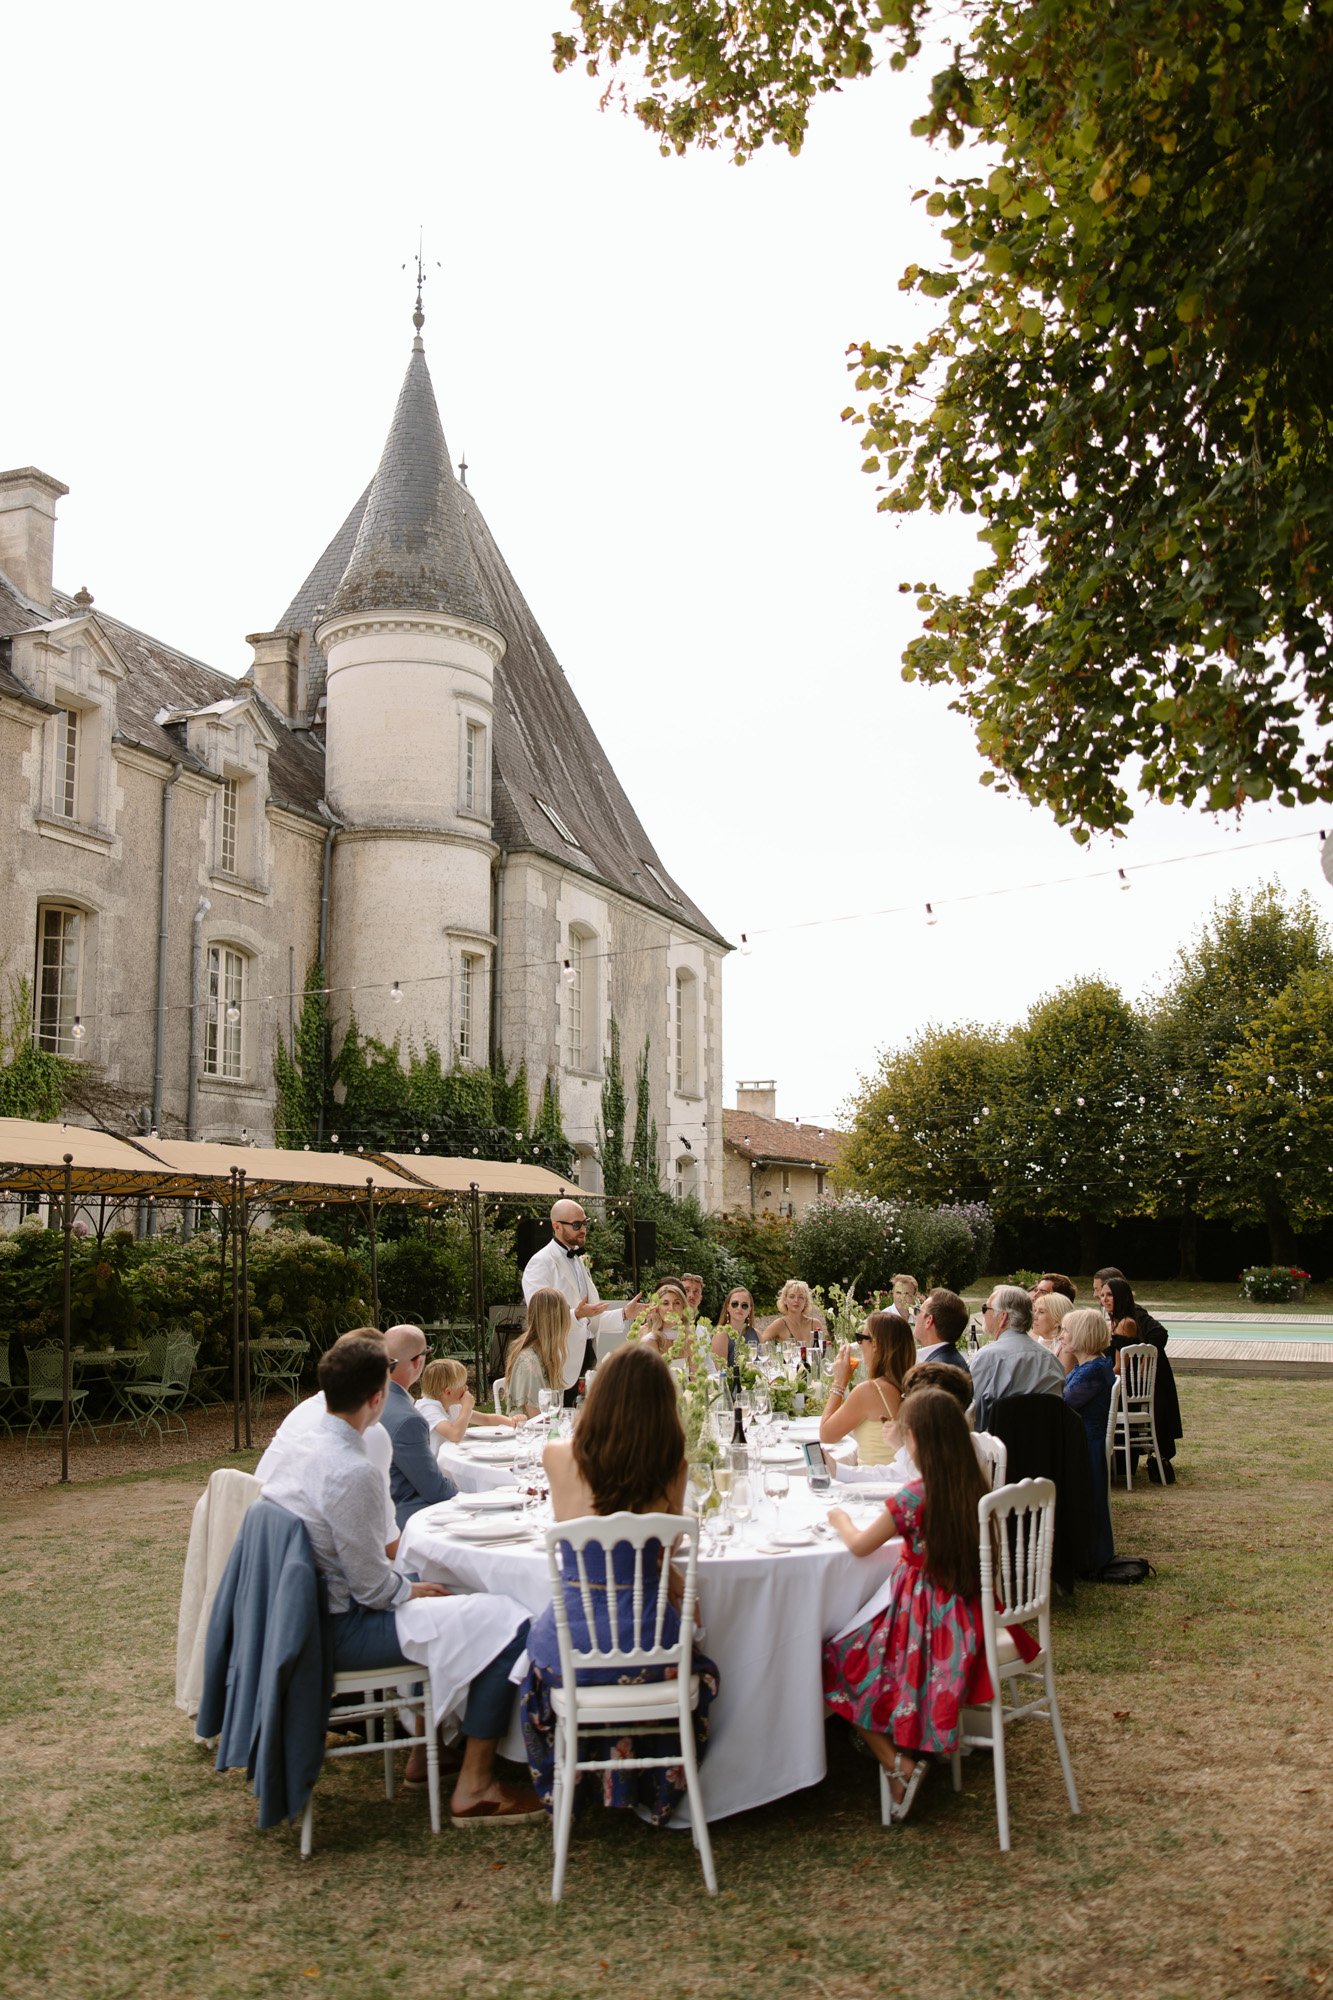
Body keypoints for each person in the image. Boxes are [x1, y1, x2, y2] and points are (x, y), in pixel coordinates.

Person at [261, 1334, 541, 1824]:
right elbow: (373, 1590)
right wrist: (410, 1588)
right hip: (340, 1630)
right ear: (376, 1397)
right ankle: (476, 1786)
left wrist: (416, 1585)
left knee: (454, 1592)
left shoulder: (306, 1445)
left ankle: (434, 1748)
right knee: (511, 1620)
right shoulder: (352, 1468)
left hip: (306, 1618)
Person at [520, 1342, 720, 1825]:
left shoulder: (556, 1456)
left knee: (532, 1652)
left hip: (573, 1651)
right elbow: (664, 1549)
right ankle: (653, 1785)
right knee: (706, 1665)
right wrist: (674, 1586)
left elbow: (585, 1538)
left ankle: (582, 1785)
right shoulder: (672, 1466)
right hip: (653, 1651)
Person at [822, 1386, 1039, 1819]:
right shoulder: (972, 1485)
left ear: (917, 1440)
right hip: (968, 1613)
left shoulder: (914, 1497)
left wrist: (838, 1518)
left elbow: (863, 1546)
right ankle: (903, 1753)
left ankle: (896, 1764)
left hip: (925, 1621)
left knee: (837, 1660)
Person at [255, 1328, 397, 1554]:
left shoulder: (302, 1413)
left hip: (265, 1551)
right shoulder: (370, 1434)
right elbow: (385, 1542)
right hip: (306, 1566)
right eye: (389, 1365)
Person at [520, 1199, 641, 1390]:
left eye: (585, 1223)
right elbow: (541, 1317)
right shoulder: (540, 1263)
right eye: (576, 1225)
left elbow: (589, 1317)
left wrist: (624, 1313)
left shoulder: (578, 1260)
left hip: (587, 1354)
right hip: (558, 1360)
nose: (583, 1228)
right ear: (556, 1226)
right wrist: (576, 1314)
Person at [1103, 1276, 1182, 1482]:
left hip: (1126, 1393)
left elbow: (1120, 1367)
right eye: (1102, 1295)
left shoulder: (1126, 1323)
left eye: (1109, 1295)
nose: (1104, 1299)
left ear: (1121, 1296)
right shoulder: (1121, 1322)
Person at [379, 1325, 458, 1530]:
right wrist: (469, 1495)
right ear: (417, 1362)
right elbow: (435, 1490)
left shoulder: (371, 1397)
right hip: (403, 1517)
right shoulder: (408, 1420)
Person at [1057, 1307, 1116, 1572]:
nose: (1062, 1336)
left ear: (1081, 1334)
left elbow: (1063, 1403)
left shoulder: (1092, 1370)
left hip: (1087, 1445)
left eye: (1066, 1331)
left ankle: (1085, 1556)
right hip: (1085, 1440)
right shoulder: (1093, 1364)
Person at [819, 1310, 916, 1466]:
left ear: (875, 1344)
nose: (859, 1344)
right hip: (898, 1480)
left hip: (874, 1484)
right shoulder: (913, 1385)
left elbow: (827, 1435)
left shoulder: (870, 1391)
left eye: (861, 1338)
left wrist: (839, 1382)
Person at [968, 1285, 1065, 1429]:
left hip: (997, 1447)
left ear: (1003, 1317)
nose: (983, 1314)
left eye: (985, 1309)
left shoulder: (988, 1358)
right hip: (1045, 1447)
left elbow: (973, 1416)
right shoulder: (1052, 1361)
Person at [504, 1288, 569, 1418]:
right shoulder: (529, 1361)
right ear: (557, 1321)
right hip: (529, 1434)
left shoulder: (545, 1354)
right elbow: (538, 1419)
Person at [417, 1358, 514, 1443]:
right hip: (435, 1462)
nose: (466, 1387)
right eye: (463, 1385)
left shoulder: (451, 1405)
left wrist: (512, 1422)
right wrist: (466, 1408)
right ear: (448, 1392)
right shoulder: (428, 1408)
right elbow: (455, 1435)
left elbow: (486, 1419)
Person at [911, 1288, 972, 1377]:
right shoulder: (954, 1362)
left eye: (918, 1311)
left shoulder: (934, 1372)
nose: (915, 1316)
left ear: (929, 1321)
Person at [765, 1278, 826, 1346]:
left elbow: (823, 1350)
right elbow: (760, 1345)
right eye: (792, 1297)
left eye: (800, 1297)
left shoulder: (815, 1324)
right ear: (785, 1300)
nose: (796, 1300)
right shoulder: (780, 1324)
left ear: (805, 1301)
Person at [713, 1287, 757, 1368]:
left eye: (744, 1305)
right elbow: (721, 1373)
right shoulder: (721, 1336)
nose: (739, 1308)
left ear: (749, 1310)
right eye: (735, 1304)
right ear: (728, 1307)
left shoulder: (757, 1334)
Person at [1032, 1289, 1073, 1354]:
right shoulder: (1033, 1339)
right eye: (1034, 1310)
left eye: (1041, 1312)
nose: (1034, 1316)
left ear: (1057, 1320)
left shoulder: (1065, 1349)